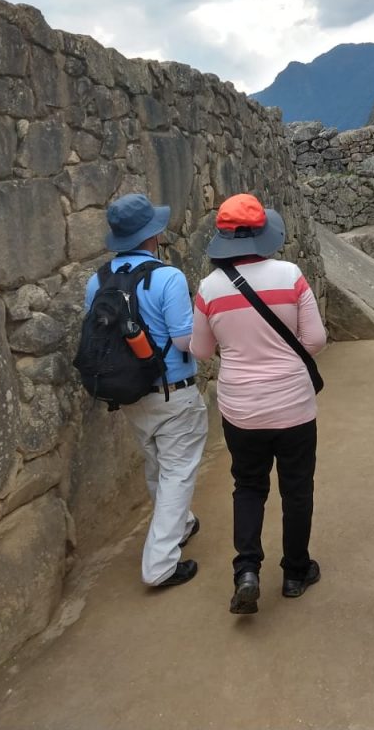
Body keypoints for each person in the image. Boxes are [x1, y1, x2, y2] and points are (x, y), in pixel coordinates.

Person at [190, 193, 327, 615]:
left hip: (241, 409)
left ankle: (246, 571)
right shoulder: (290, 275)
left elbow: (200, 349)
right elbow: (316, 340)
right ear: (261, 232)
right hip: (292, 406)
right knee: (296, 489)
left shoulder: (209, 287)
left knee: (248, 487)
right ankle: (294, 573)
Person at [84, 193, 208, 588]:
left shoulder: (97, 281)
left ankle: (182, 524)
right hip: (174, 391)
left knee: (157, 464)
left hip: (130, 392)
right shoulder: (167, 277)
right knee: (177, 472)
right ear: (152, 234)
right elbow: (186, 340)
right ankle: (160, 565)